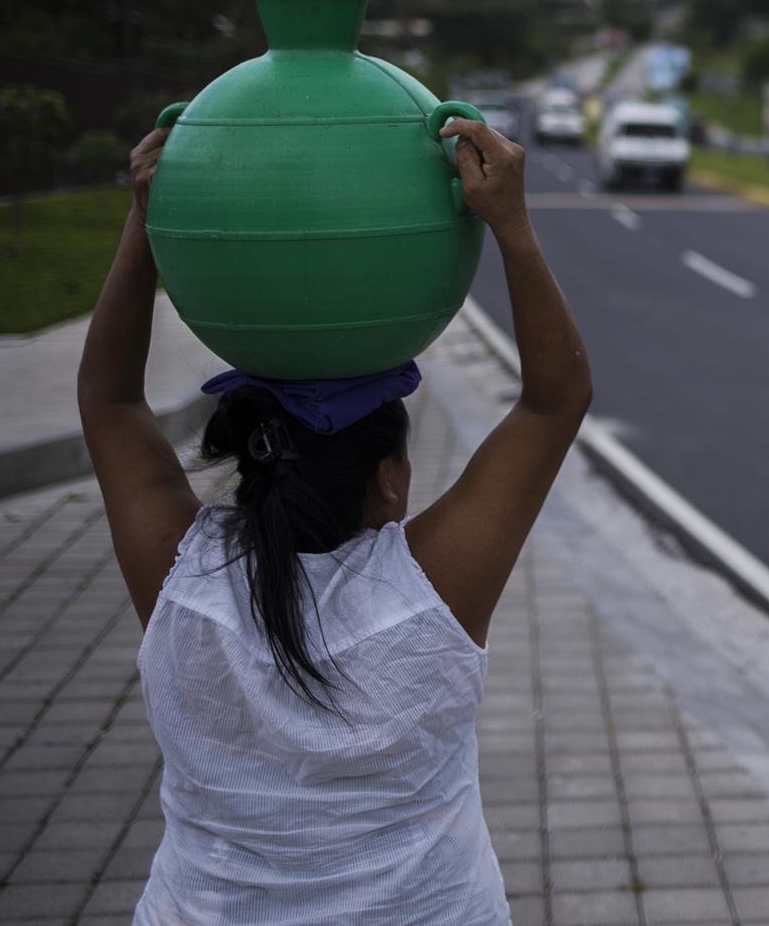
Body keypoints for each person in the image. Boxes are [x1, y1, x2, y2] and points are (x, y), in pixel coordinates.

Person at [78, 117, 591, 924]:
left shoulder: (181, 582)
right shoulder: (429, 594)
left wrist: (146, 219)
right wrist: (511, 224)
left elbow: (108, 402)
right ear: (391, 482)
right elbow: (557, 399)